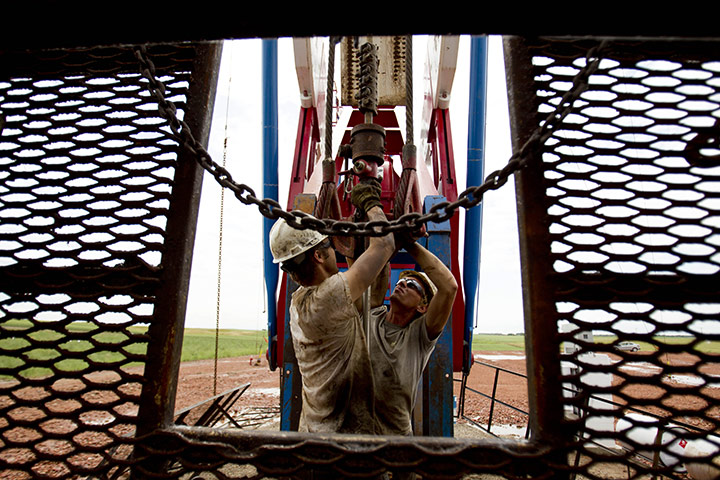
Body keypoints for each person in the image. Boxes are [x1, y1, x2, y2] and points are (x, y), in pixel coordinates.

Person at [269, 178, 394, 434]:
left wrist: (353, 252)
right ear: (318, 254)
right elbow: (385, 244)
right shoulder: (328, 298)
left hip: (314, 433)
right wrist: (371, 203)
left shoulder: (300, 301)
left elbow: (370, 299)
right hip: (342, 440)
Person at [367, 240, 458, 437]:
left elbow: (449, 287)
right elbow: (380, 269)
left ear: (423, 307)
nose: (402, 284)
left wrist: (409, 242)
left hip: (394, 441)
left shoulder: (419, 336)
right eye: (400, 282)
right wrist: (387, 240)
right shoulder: (373, 316)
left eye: (412, 285)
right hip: (353, 435)